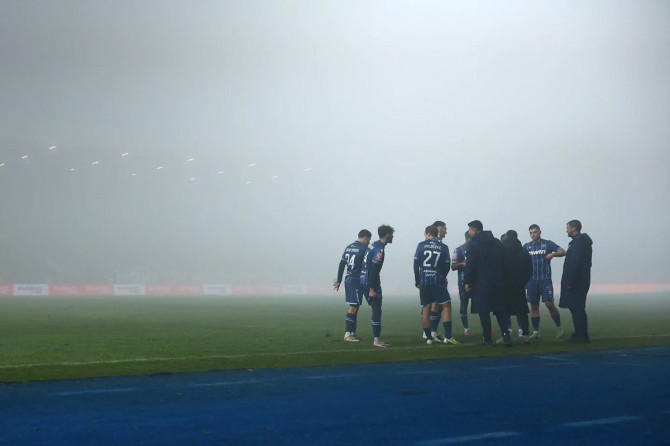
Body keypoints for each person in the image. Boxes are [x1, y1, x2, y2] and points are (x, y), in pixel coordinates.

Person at [463, 220, 509, 346]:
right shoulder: (497, 242)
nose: (469, 232)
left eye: (469, 230)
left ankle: (487, 339)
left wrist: (467, 281)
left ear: (474, 230)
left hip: (481, 282)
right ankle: (506, 336)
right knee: (500, 310)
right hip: (498, 281)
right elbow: (504, 261)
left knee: (483, 311)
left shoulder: (473, 244)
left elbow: (471, 265)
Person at [414, 225, 459, 345]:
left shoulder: (421, 245)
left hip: (424, 280)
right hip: (436, 280)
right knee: (446, 306)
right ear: (436, 233)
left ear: (428, 233)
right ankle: (448, 337)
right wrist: (442, 277)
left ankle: (429, 338)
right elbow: (447, 264)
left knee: (426, 308)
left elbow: (416, 263)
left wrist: (417, 280)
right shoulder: (443, 247)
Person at [523, 224, 566, 340]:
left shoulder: (547, 244)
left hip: (545, 280)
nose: (533, 235)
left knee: (549, 304)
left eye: (535, 232)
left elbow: (563, 251)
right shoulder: (527, 246)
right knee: (534, 306)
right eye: (531, 233)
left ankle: (559, 328)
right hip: (531, 281)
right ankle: (536, 332)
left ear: (540, 232)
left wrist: (553, 254)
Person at [334, 229, 372, 342]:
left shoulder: (348, 247)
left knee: (356, 306)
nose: (369, 242)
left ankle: (352, 333)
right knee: (353, 307)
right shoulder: (364, 249)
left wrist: (338, 280)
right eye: (368, 240)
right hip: (356, 280)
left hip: (349, 279)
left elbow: (342, 264)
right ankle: (347, 334)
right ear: (365, 237)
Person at [360, 224, 394, 348]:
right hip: (370, 282)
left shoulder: (373, 245)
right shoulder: (379, 250)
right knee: (376, 310)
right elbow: (374, 270)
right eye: (392, 234)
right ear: (387, 235)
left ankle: (377, 338)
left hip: (363, 280)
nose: (393, 237)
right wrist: (372, 289)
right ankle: (376, 340)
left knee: (376, 309)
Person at [560, 220, 593, 343]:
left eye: (568, 227)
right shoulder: (580, 242)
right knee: (576, 308)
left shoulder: (578, 243)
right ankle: (580, 333)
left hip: (577, 282)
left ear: (574, 228)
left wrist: (570, 282)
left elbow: (575, 263)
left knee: (577, 308)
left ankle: (581, 335)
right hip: (581, 280)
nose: (566, 230)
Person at [500, 230, 533, 344]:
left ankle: (506, 336)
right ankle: (526, 335)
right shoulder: (524, 252)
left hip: (505, 286)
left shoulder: (502, 251)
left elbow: (499, 268)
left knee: (504, 311)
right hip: (519, 285)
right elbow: (529, 269)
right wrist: (524, 281)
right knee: (522, 311)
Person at [451, 230, 473, 336]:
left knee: (483, 304)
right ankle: (466, 329)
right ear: (467, 238)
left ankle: (487, 329)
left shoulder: (477, 248)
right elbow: (453, 266)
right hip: (463, 282)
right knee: (464, 304)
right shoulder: (459, 250)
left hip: (477, 281)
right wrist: (461, 264)